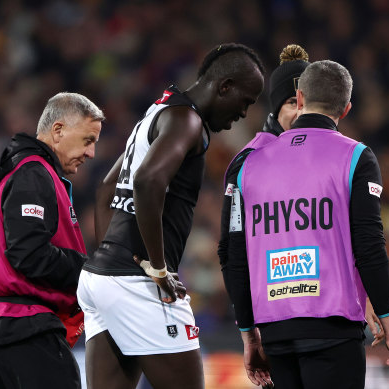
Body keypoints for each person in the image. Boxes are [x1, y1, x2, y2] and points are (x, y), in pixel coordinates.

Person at [77, 42, 265, 389]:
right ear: (224, 87)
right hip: (138, 283)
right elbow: (148, 181)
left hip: (101, 279)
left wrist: (112, 263)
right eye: (245, 101)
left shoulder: (158, 111)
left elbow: (106, 190)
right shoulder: (187, 120)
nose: (243, 113)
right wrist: (157, 267)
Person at [218, 60, 389, 388]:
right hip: (333, 331)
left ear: (301, 98)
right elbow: (369, 246)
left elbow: (233, 256)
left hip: (275, 335)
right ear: (346, 108)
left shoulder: (248, 164)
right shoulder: (355, 157)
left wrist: (249, 338)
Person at [0, 92, 105, 389]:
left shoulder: (16, 170)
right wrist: (92, 267)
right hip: (24, 326)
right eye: (87, 140)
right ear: (58, 131)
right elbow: (29, 254)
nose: (91, 152)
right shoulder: (33, 174)